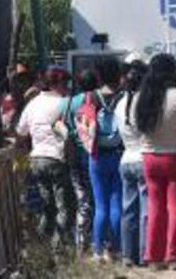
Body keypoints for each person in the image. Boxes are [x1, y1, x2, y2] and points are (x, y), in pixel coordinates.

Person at [134, 53, 176, 270]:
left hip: (150, 156)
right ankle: (174, 256)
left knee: (155, 206)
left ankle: (153, 256)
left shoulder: (141, 97)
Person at [15, 67, 75, 247]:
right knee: (63, 205)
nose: (67, 87)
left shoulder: (32, 104)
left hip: (37, 158)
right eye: (65, 83)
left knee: (46, 204)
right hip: (57, 158)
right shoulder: (64, 103)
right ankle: (59, 246)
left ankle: (42, 243)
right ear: (57, 84)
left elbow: (21, 132)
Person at [83, 58, 124, 262]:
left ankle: (97, 250)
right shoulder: (124, 95)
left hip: (97, 155)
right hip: (119, 154)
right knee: (117, 204)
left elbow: (83, 122)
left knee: (101, 205)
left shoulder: (92, 96)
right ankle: (114, 249)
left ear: (99, 75)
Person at [115, 59, 149, 267]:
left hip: (126, 158)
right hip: (143, 158)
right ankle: (145, 254)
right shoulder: (145, 103)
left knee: (128, 209)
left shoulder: (120, 103)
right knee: (146, 210)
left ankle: (128, 254)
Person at [64, 68, 99, 253]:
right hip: (93, 154)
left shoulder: (69, 102)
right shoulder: (97, 100)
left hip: (74, 155)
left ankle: (80, 242)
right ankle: (93, 240)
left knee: (82, 199)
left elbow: (60, 124)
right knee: (96, 199)